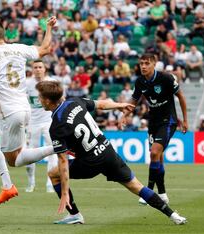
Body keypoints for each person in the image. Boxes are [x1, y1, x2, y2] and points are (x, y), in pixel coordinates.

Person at [36, 80, 187, 225]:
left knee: (54, 174)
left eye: (40, 97)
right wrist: (119, 105)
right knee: (136, 186)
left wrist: (64, 192)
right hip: (107, 151)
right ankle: (173, 215)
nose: (39, 100)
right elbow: (101, 104)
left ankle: (74, 214)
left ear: (48, 100)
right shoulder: (74, 101)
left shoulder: (56, 126)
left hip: (89, 162)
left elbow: (62, 160)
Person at [0, 17, 57, 204]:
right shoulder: (19, 48)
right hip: (21, 108)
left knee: (15, 161)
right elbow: (45, 49)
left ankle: (59, 147)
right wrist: (48, 28)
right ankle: (7, 186)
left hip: (10, 113)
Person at [120, 53, 188, 205]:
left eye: (147, 63)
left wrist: (185, 120)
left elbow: (181, 97)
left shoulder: (166, 78)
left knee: (154, 152)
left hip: (168, 120)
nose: (143, 66)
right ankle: (162, 193)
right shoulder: (140, 81)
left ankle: (148, 190)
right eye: (141, 63)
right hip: (153, 122)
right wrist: (124, 115)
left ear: (154, 64)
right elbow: (134, 100)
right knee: (158, 157)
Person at [24, 59, 58, 193]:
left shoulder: (52, 83)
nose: (38, 69)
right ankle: (31, 182)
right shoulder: (27, 83)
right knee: (30, 154)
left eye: (40, 67)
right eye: (35, 67)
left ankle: (50, 183)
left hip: (49, 122)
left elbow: (59, 101)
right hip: (33, 123)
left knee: (52, 152)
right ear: (32, 70)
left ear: (45, 69)